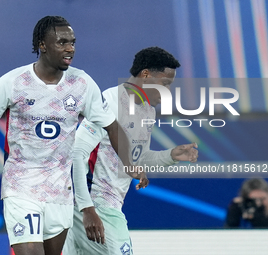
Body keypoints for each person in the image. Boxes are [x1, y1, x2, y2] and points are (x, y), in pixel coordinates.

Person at [0, 16, 139, 255]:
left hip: (60, 195)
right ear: (42, 45)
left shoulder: (82, 84)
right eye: (62, 42)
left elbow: (112, 126)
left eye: (73, 42)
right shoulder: (13, 82)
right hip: (22, 188)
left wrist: (129, 163)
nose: (70, 49)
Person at [63, 46, 199, 255]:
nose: (168, 92)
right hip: (95, 206)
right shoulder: (108, 102)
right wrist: (87, 209)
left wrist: (171, 155)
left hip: (105, 207)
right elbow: (77, 153)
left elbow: (139, 157)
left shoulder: (147, 111)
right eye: (165, 84)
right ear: (145, 74)